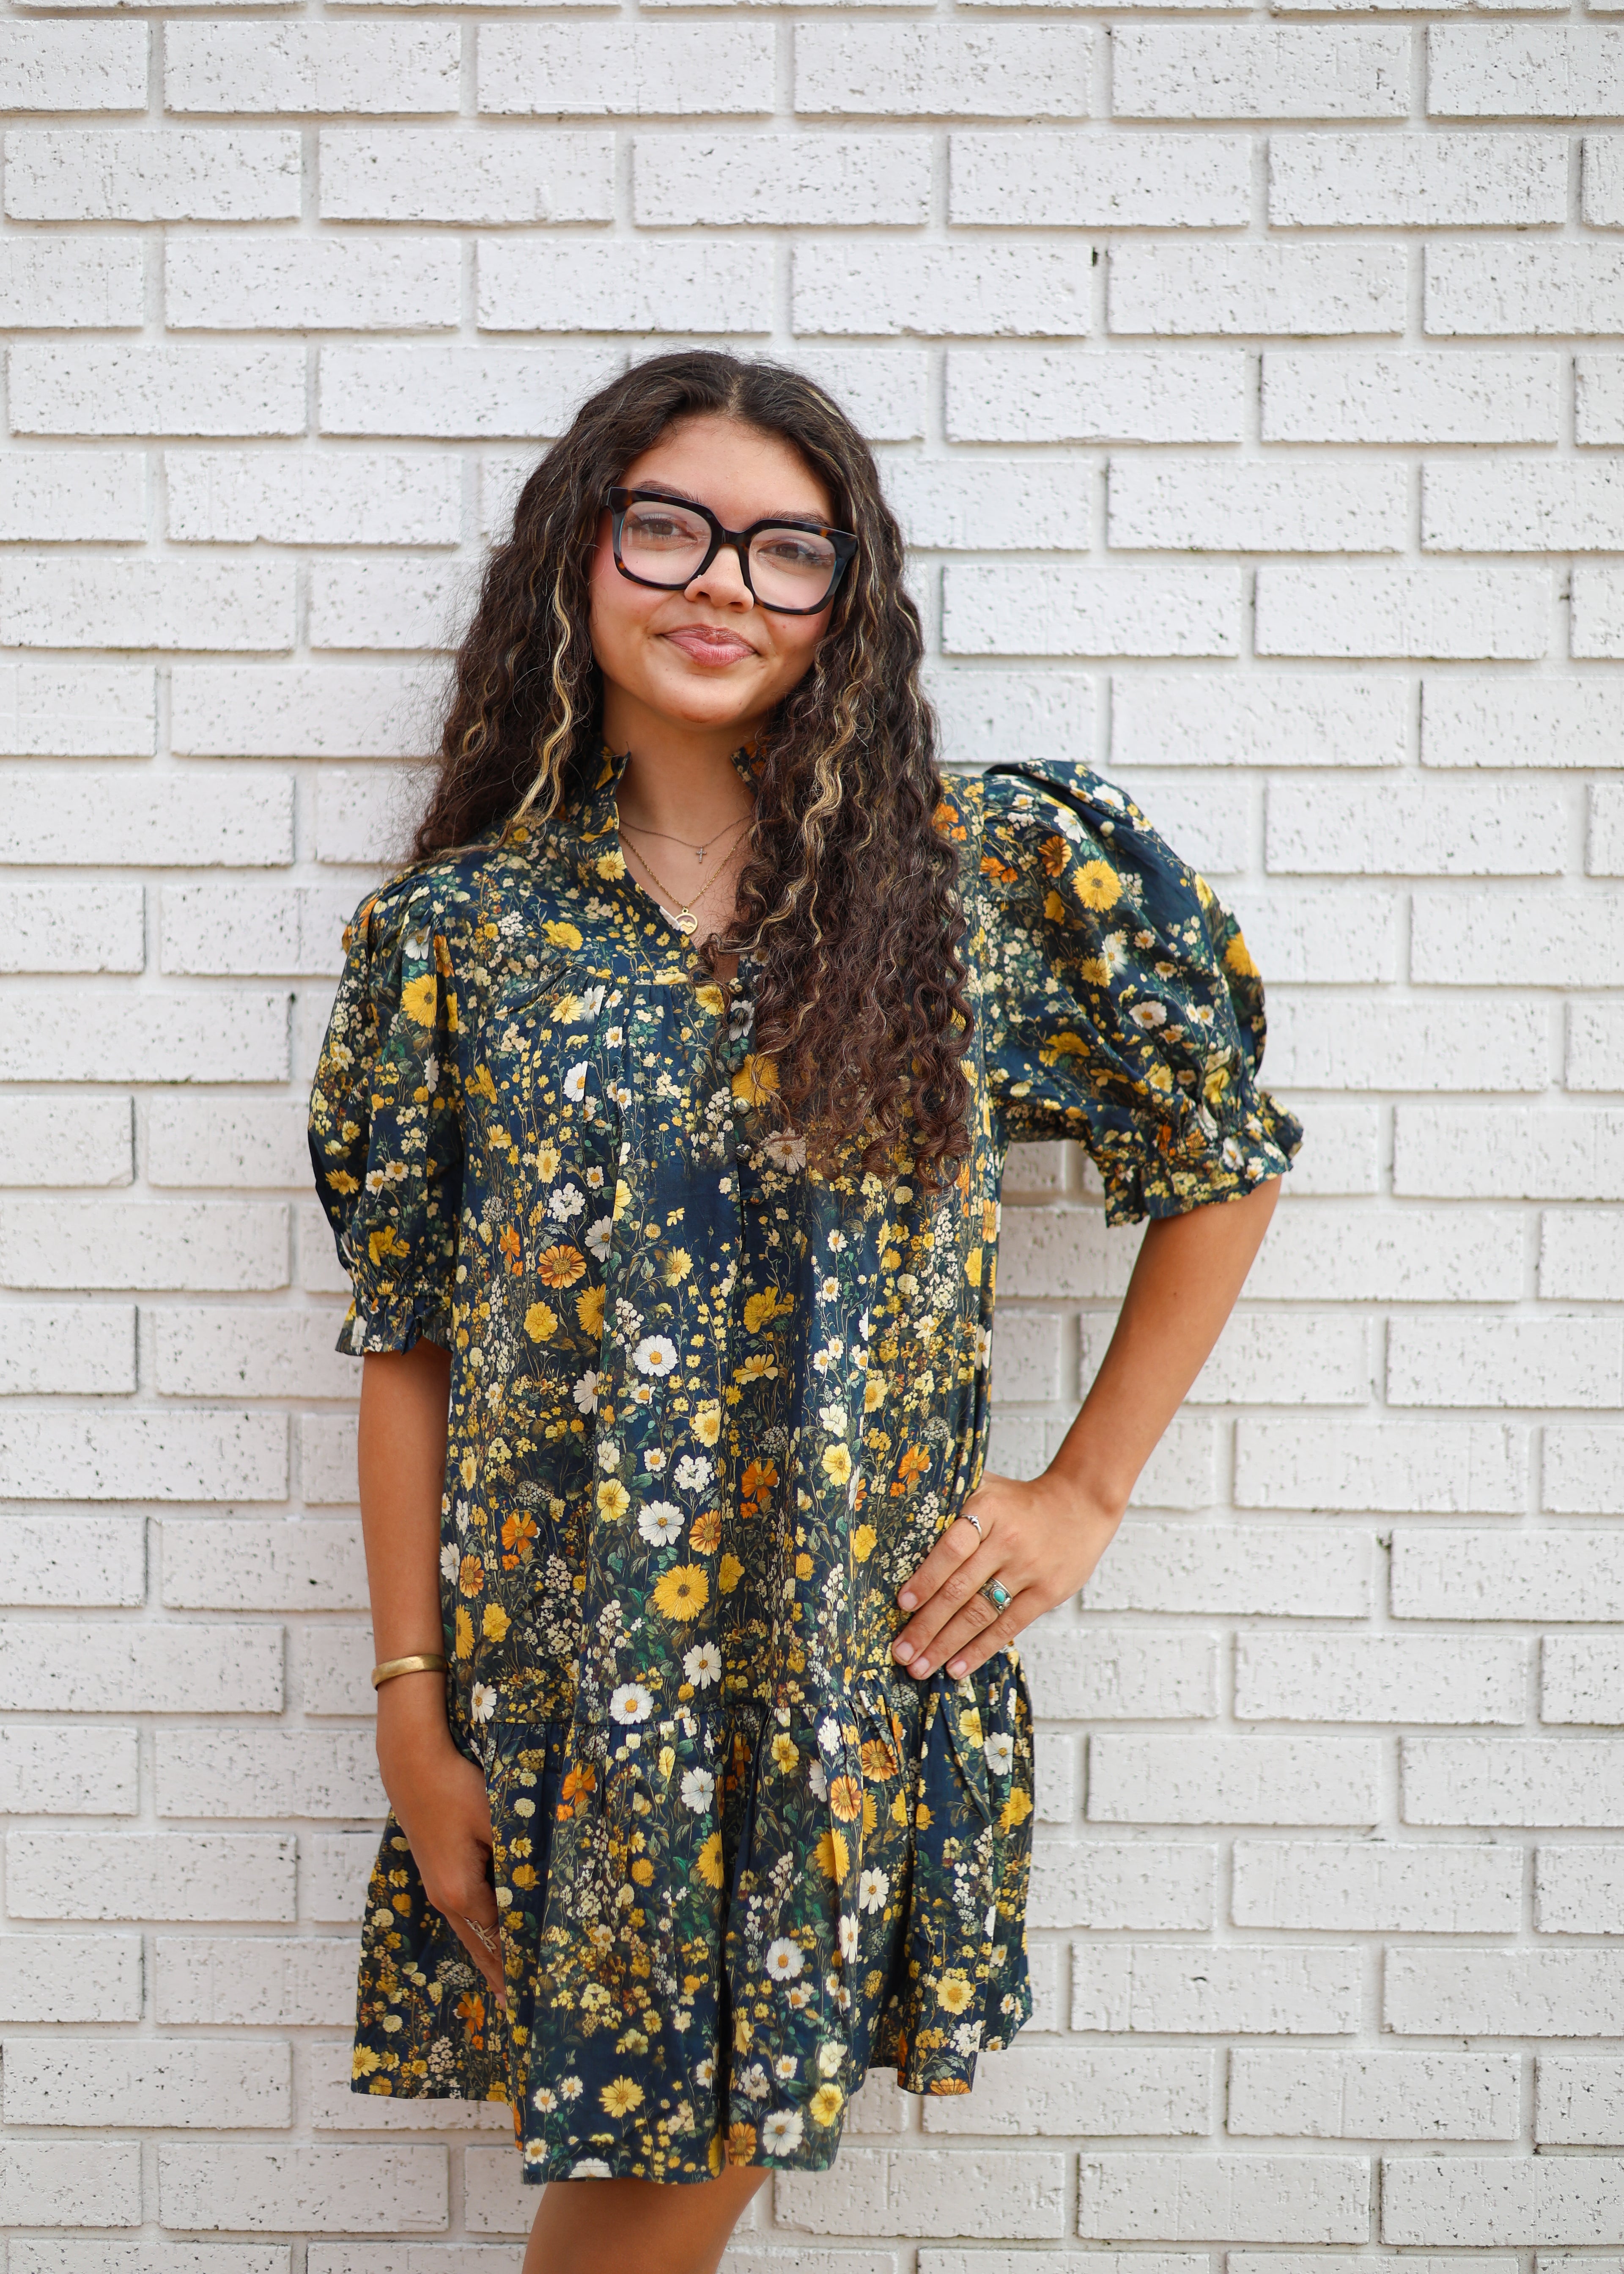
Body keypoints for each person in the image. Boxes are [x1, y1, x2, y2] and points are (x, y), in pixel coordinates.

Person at [308, 349, 1300, 2274]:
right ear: (577, 556)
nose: (722, 586)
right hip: (568, 1698)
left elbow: (1223, 1152)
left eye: (789, 553)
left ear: (849, 604)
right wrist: (409, 1715)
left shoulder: (988, 877)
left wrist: (1078, 1496)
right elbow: (411, 1340)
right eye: (668, 527)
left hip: (852, 1679)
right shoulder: (458, 945)